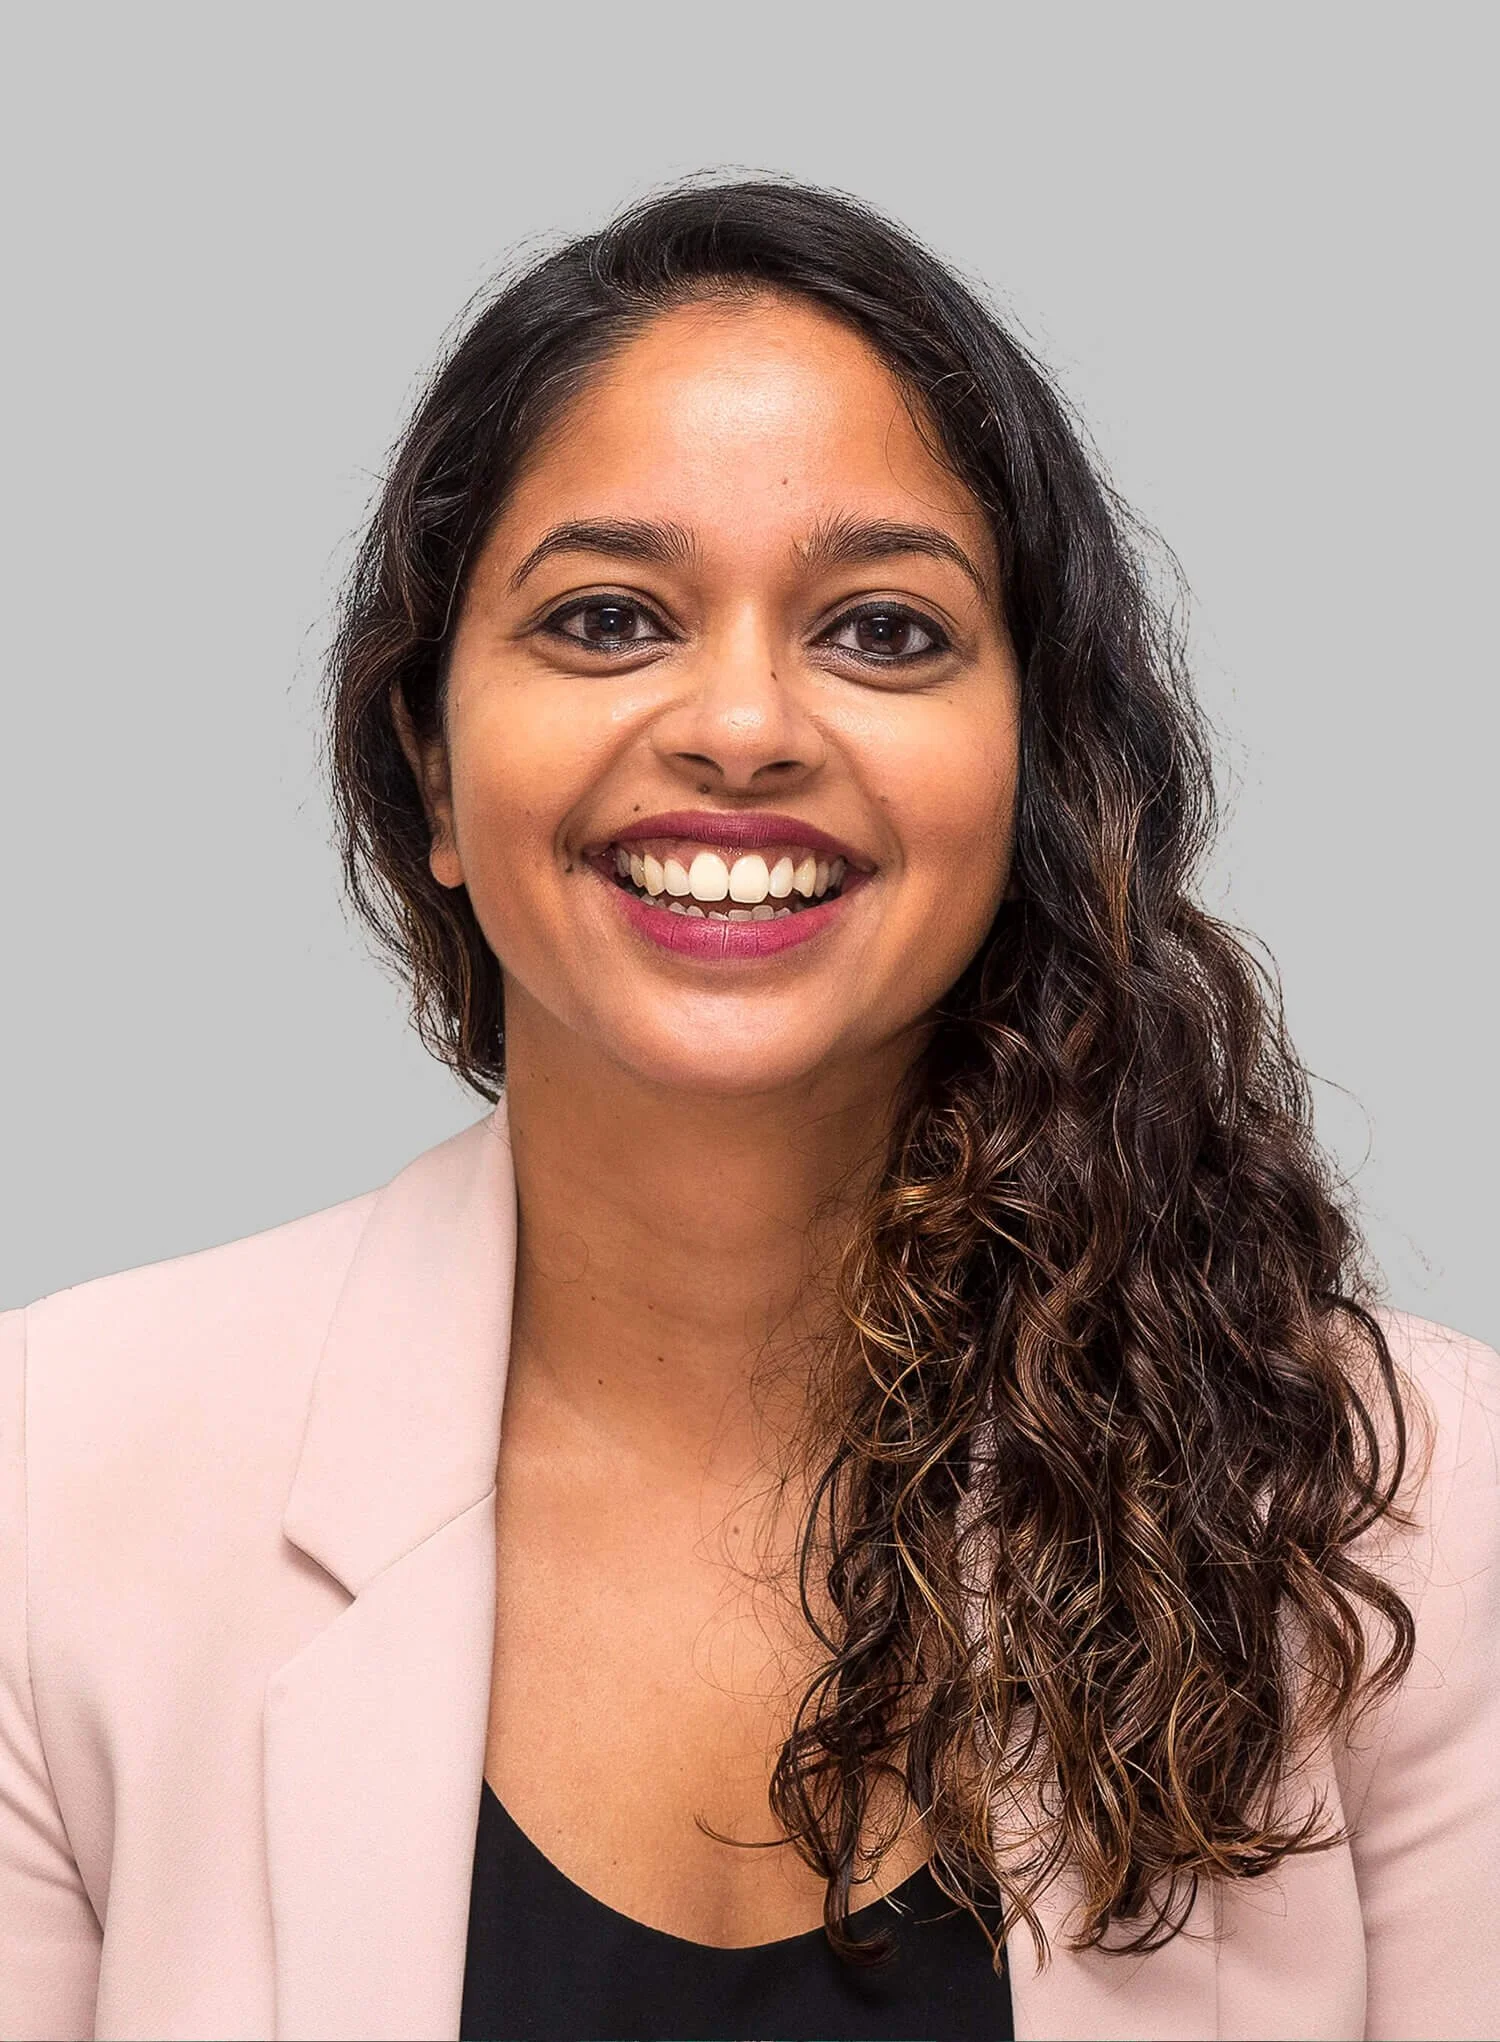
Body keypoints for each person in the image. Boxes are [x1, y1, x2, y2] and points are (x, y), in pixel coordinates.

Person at [2, 175, 1496, 2042]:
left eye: (882, 630)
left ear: (1035, 767)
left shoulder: (1411, 1500)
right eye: (610, 616)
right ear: (434, 773)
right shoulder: (55, 1480)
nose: (739, 723)